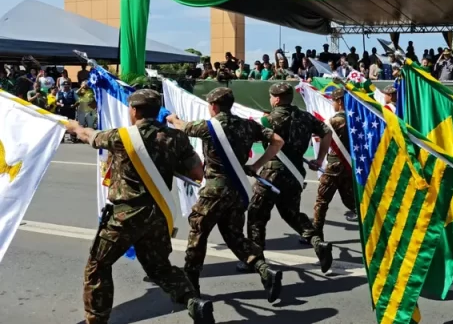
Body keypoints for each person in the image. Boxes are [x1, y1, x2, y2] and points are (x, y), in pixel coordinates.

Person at [64, 90, 213, 324]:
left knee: (98, 265)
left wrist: (73, 127)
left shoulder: (121, 137)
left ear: (134, 110)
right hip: (158, 214)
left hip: (126, 215)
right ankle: (194, 302)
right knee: (160, 267)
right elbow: (196, 172)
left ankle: (97, 319)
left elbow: (88, 135)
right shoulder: (176, 138)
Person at [167, 87, 286, 301]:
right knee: (234, 236)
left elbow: (182, 127)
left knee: (198, 234)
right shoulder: (248, 125)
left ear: (213, 106)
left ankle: (191, 285)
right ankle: (263, 269)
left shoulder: (207, 126)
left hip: (215, 189)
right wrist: (257, 165)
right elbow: (277, 140)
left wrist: (173, 118)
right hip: (238, 190)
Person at [243, 82, 335, 273]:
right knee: (291, 213)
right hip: (295, 174)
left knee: (256, 215)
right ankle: (317, 242)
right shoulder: (305, 116)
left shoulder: (269, 120)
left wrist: (255, 165)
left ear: (276, 99)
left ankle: (255, 258)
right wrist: (319, 159)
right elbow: (326, 132)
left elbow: (266, 142)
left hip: (273, 172)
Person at [313, 88, 358, 239]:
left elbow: (318, 131)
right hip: (349, 165)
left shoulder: (335, 121)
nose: (332, 104)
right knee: (351, 201)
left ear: (339, 101)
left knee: (322, 200)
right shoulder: (357, 118)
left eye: (333, 101)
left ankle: (316, 234)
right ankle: (375, 226)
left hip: (334, 166)